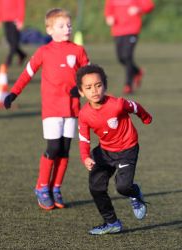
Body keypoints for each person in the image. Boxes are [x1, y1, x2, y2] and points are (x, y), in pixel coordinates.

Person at [4, 8, 90, 210]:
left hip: (72, 109)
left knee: (65, 150)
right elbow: (27, 73)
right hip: (52, 108)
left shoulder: (78, 50)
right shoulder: (44, 51)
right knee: (53, 148)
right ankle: (42, 187)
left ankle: (56, 187)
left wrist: (81, 90)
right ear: (49, 30)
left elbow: (88, 74)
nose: (67, 29)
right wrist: (13, 93)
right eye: (61, 26)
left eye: (68, 25)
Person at [76, 64, 152, 235]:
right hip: (105, 151)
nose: (94, 90)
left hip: (127, 149)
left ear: (105, 86)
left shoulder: (117, 104)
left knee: (123, 187)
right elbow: (84, 138)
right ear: (81, 92)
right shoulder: (84, 114)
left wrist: (146, 118)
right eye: (88, 87)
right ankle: (112, 222)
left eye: (98, 85)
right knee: (96, 187)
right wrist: (85, 157)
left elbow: (135, 107)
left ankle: (135, 193)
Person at [104, 0, 155, 94]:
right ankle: (137, 71)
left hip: (132, 29)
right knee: (121, 58)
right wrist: (109, 17)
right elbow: (108, 9)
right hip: (117, 30)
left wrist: (139, 9)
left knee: (127, 56)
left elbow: (150, 6)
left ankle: (128, 85)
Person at [0, 0, 27, 66]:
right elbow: (0, 5)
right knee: (9, 40)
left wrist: (20, 19)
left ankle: (8, 60)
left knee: (14, 42)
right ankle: (22, 54)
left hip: (15, 20)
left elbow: (21, 5)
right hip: (5, 19)